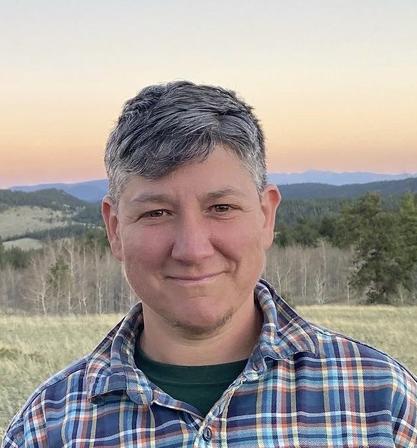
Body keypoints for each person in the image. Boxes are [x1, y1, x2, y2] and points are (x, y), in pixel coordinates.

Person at [2, 81, 417, 447]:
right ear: (114, 229)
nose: (192, 249)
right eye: (157, 213)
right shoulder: (48, 427)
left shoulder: (383, 402)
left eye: (221, 208)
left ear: (266, 216)